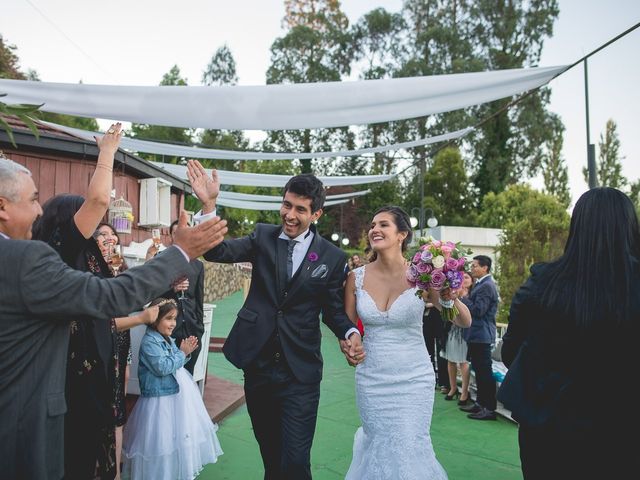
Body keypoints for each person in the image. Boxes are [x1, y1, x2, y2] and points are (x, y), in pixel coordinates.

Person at [0, 154, 227, 480]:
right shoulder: (26, 260)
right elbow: (111, 296)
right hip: (24, 423)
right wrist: (180, 252)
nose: (39, 210)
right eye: (33, 199)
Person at [186, 159, 363, 479]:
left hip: (301, 372)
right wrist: (209, 205)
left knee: (295, 460)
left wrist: (349, 331)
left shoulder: (332, 259)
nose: (290, 215)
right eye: (286, 205)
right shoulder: (262, 237)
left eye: (300, 209)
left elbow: (333, 310)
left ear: (316, 214)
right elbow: (216, 253)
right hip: (259, 367)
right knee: (271, 456)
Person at [498, 187, 639, 479]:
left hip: (547, 428)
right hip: (624, 429)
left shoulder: (540, 284)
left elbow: (512, 352)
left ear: (576, 226)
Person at [344, 206, 471, 479]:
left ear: (402, 234)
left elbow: (463, 321)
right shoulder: (356, 277)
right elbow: (346, 325)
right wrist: (349, 342)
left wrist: (449, 295)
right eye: (373, 224)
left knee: (408, 445)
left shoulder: (423, 275)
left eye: (384, 224)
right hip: (372, 378)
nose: (374, 229)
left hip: (413, 379)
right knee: (378, 443)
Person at [122, 298, 223, 479]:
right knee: (159, 442)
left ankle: (175, 471)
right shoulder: (150, 342)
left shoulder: (165, 338)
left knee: (176, 438)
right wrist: (182, 352)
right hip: (158, 401)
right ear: (155, 319)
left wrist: (185, 354)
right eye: (168, 318)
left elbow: (175, 364)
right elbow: (163, 367)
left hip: (174, 395)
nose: (173, 323)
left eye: (175, 318)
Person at [95, 221, 134, 480]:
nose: (109, 238)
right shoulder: (89, 272)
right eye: (102, 235)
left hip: (121, 346)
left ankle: (115, 472)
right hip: (97, 348)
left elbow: (129, 304)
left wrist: (128, 359)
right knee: (97, 407)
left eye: (112, 234)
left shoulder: (121, 270)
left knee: (118, 407)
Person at [161, 219, 206, 375]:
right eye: (177, 232)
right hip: (167, 329)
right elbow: (152, 294)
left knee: (188, 375)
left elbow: (199, 298)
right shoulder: (161, 259)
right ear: (172, 236)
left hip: (193, 330)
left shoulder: (198, 265)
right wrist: (171, 289)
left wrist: (200, 327)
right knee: (169, 376)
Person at [459, 255, 499, 420]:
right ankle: (480, 404)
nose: (472, 268)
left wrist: (462, 299)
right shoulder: (482, 284)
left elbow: (478, 310)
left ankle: (489, 408)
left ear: (485, 268)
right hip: (476, 334)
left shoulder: (486, 286)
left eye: (475, 266)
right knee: (479, 370)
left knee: (485, 373)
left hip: (481, 334)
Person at [440, 271, 473, 405]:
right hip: (451, 330)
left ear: (471, 280)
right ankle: (453, 387)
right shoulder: (452, 291)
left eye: (467, 277)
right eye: (462, 277)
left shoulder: (471, 294)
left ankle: (465, 391)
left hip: (464, 333)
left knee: (463, 361)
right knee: (450, 359)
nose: (464, 280)